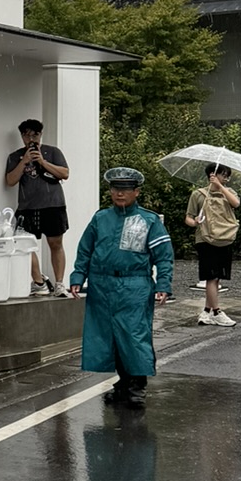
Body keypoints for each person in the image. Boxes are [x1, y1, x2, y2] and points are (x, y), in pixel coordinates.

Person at [67, 166, 174, 408]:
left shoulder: (149, 220)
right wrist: (77, 277)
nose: (120, 193)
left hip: (134, 285)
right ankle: (124, 382)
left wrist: (163, 284)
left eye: (125, 189)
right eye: (116, 188)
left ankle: (137, 387)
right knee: (108, 337)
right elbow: (85, 250)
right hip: (101, 285)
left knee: (134, 335)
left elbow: (164, 257)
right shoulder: (100, 218)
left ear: (137, 192)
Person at [5, 117, 71, 293]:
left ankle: (59, 283)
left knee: (55, 243)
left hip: (53, 205)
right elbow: (10, 180)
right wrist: (24, 161)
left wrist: (42, 162)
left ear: (41, 135)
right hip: (27, 207)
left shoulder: (53, 152)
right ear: (22, 137)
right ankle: (39, 282)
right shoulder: (15, 156)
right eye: (27, 135)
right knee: (24, 244)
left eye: (35, 135)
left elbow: (65, 173)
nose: (31, 139)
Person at [185, 163, 240, 325]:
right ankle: (217, 312)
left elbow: (236, 203)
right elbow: (188, 218)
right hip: (205, 238)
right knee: (211, 276)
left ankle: (206, 311)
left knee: (217, 278)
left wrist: (220, 187)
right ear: (212, 175)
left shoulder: (229, 192)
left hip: (225, 237)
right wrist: (195, 222)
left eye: (227, 175)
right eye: (223, 175)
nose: (226, 178)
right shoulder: (198, 194)